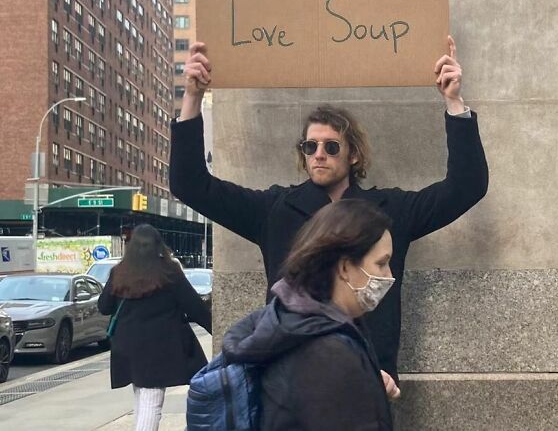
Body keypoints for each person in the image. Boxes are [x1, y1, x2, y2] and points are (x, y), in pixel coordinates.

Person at [170, 35, 488, 382]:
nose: (318, 154)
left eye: (331, 146)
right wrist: (193, 97)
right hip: (290, 379)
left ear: (353, 155)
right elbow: (191, 185)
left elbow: (465, 188)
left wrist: (454, 102)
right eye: (310, 146)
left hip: (368, 376)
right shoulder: (274, 210)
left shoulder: (389, 211)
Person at [223, 199, 397, 430]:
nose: (389, 274)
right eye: (382, 263)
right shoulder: (329, 354)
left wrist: (368, 384)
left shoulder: (294, 322)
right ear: (345, 268)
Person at [98, 224, 212, 431]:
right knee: (151, 401)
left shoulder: (119, 271)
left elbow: (104, 307)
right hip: (159, 348)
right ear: (159, 245)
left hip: (127, 346)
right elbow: (194, 307)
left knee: (142, 397)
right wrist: (219, 329)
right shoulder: (169, 271)